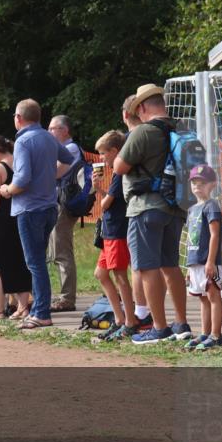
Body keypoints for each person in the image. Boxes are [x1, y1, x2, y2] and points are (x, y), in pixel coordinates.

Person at [114, 84, 191, 344]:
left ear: (143, 107)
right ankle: (181, 323)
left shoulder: (144, 132)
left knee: (147, 268)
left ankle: (159, 327)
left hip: (145, 207)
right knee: (171, 265)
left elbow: (119, 166)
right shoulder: (180, 129)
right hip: (176, 206)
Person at [0, 100, 75, 329]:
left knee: (35, 263)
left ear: (18, 118)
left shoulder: (22, 140)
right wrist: (51, 177)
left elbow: (21, 180)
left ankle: (41, 312)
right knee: (38, 261)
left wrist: (7, 190)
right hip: (50, 207)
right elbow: (69, 160)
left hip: (29, 208)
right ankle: (41, 308)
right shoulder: (49, 137)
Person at [0, 134, 31, 322]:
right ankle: (23, 307)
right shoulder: (20, 162)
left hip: (1, 220)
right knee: (20, 262)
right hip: (19, 217)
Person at [91, 131, 135, 342]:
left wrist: (100, 192)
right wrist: (98, 189)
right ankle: (119, 319)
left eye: (103, 153)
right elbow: (107, 200)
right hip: (109, 231)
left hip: (118, 231)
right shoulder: (116, 173)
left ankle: (130, 322)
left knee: (120, 276)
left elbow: (106, 203)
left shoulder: (119, 172)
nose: (101, 158)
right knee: (100, 274)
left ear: (115, 151)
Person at [183, 165, 222, 351]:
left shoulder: (212, 206)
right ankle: (205, 333)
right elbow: (190, 237)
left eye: (203, 183)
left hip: (209, 262)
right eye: (194, 182)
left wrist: (210, 261)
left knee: (213, 295)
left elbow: (214, 235)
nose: (198, 186)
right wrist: (188, 266)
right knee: (202, 298)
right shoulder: (192, 209)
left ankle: (216, 336)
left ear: (213, 184)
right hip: (195, 262)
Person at [120, 94, 153, 330]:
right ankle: (152, 314)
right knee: (160, 266)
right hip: (160, 203)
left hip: (139, 205)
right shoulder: (157, 133)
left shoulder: (134, 137)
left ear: (125, 115)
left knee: (139, 265)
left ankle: (142, 313)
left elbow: (120, 168)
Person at [48, 114, 82, 312]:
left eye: (53, 128)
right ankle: (62, 296)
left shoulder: (70, 149)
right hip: (58, 202)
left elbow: (54, 173)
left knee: (61, 251)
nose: (49, 132)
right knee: (56, 251)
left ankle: (67, 298)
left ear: (65, 130)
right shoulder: (61, 150)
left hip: (64, 204)